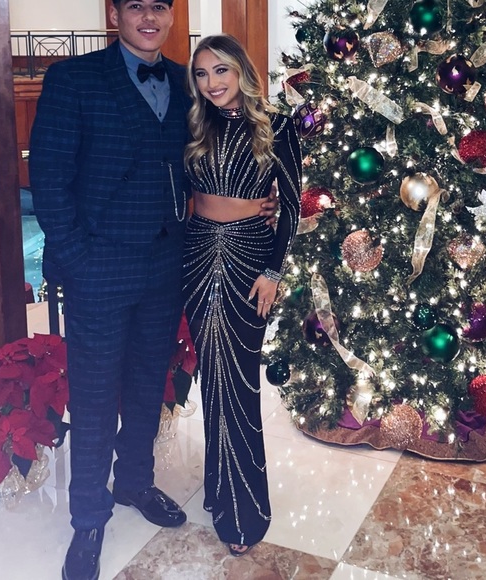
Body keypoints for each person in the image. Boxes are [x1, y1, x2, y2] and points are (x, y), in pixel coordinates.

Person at [29, 3, 276, 579]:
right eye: (135, 4)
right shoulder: (73, 78)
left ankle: (135, 483)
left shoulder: (186, 81)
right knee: (95, 396)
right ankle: (88, 519)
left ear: (169, 15)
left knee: (147, 385)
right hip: (99, 265)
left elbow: (224, 150)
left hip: (168, 264)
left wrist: (256, 203)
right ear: (115, 12)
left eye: (158, 5)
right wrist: (77, 257)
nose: (148, 16)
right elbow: (49, 177)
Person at [183, 34, 302, 556]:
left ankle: (244, 512)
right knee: (212, 379)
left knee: (240, 381)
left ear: (241, 71)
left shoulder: (278, 127)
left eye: (221, 70)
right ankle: (218, 487)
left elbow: (291, 208)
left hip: (250, 263)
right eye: (202, 73)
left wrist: (273, 272)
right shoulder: (194, 124)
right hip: (195, 259)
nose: (212, 83)